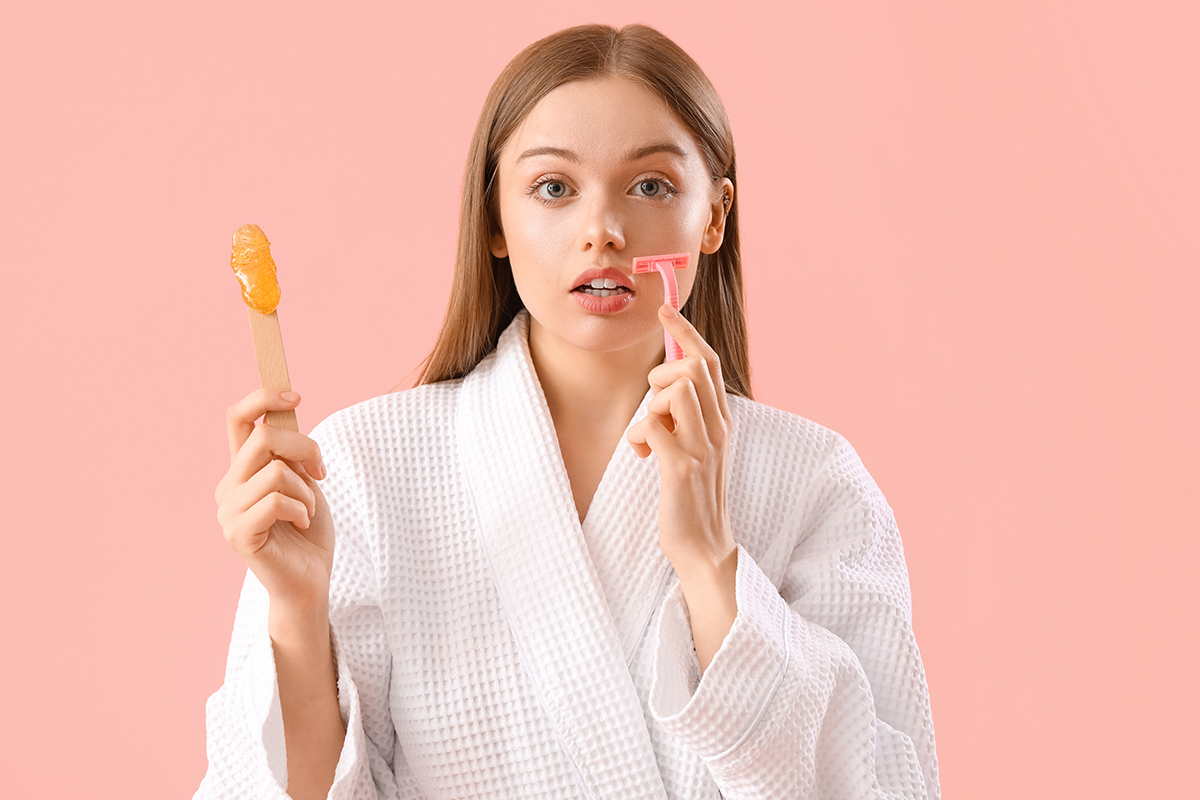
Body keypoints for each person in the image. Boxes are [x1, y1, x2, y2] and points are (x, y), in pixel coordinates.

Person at [198, 23, 940, 800]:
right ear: (493, 219)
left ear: (715, 216)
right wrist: (294, 605)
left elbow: (889, 787)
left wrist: (713, 565)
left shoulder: (814, 484)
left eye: (650, 186)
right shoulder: (362, 465)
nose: (604, 232)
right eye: (554, 188)